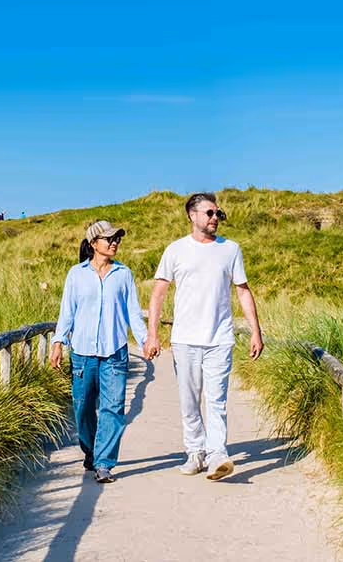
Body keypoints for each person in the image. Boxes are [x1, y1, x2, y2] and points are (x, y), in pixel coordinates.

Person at [145, 192, 264, 481]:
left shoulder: (230, 249)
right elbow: (158, 293)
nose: (215, 218)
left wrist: (256, 331)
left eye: (217, 213)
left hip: (219, 339)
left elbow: (243, 291)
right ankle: (195, 451)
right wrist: (152, 335)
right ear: (192, 215)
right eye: (209, 213)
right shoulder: (176, 250)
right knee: (189, 400)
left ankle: (217, 455)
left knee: (216, 400)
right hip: (185, 339)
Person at [50, 220, 151, 484]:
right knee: (82, 407)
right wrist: (58, 342)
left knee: (113, 408)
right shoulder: (76, 274)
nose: (114, 242)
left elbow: (133, 312)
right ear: (94, 243)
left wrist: (145, 340)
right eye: (109, 239)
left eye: (117, 238)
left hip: (114, 352)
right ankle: (91, 451)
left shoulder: (123, 274)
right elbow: (67, 312)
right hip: (82, 353)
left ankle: (104, 463)